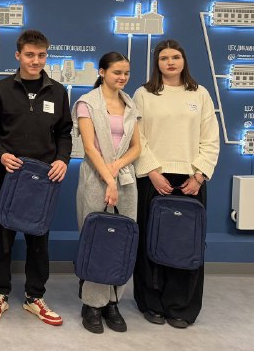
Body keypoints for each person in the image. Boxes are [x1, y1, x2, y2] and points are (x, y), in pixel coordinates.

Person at [0, 29, 72, 326]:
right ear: (18, 55)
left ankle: (35, 296)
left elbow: (64, 133)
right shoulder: (1, 89)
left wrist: (62, 159)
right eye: (30, 55)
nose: (36, 61)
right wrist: (0, 154)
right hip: (10, 175)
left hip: (44, 178)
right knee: (3, 238)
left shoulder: (57, 91)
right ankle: (0, 293)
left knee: (38, 240)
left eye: (41, 55)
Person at [132, 39, 219, 329]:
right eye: (164, 58)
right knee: (151, 242)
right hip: (154, 178)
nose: (170, 62)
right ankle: (152, 303)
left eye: (175, 57)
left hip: (191, 181)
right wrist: (152, 172)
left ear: (184, 61)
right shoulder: (144, 94)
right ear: (156, 63)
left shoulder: (200, 94)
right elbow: (137, 137)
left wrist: (199, 175)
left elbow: (210, 138)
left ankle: (181, 306)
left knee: (185, 245)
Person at [73, 52, 141, 333]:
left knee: (122, 241)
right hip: (95, 178)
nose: (122, 77)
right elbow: (90, 147)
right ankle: (92, 304)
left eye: (126, 73)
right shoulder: (86, 103)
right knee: (96, 241)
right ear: (102, 72)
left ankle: (113, 302)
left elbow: (137, 147)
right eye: (117, 72)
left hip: (125, 179)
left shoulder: (131, 104)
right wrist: (108, 179)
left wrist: (116, 168)